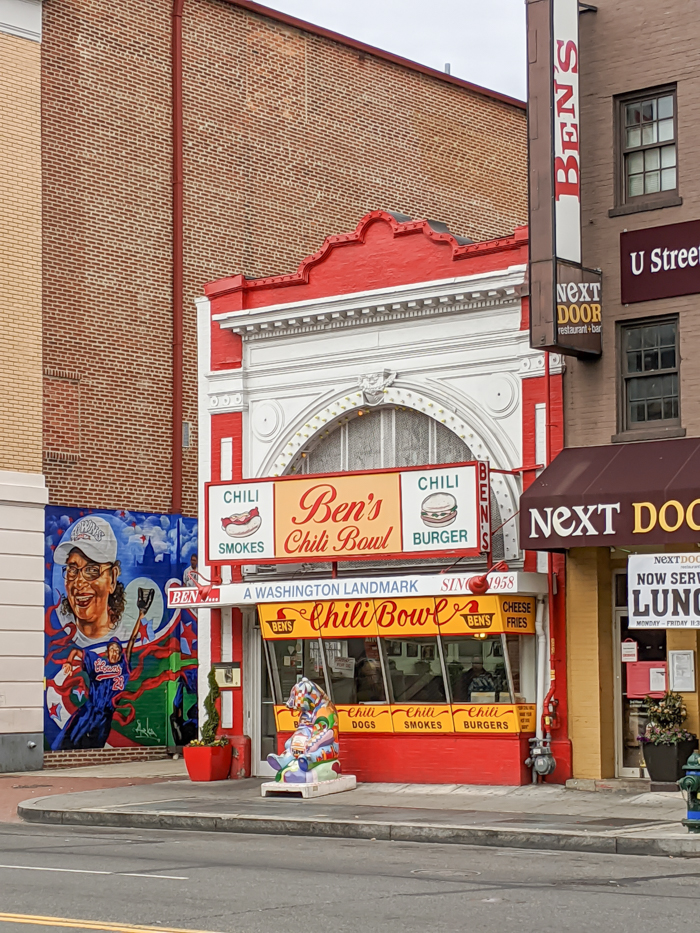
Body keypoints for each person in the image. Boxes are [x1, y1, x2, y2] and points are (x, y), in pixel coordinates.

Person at [52, 589, 155, 750]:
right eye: (112, 650)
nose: (114, 652)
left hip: (105, 715)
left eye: (117, 650)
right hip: (89, 710)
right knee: (69, 739)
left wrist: (141, 615)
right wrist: (69, 662)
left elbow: (132, 640)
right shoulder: (97, 661)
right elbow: (76, 652)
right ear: (107, 652)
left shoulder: (123, 666)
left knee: (96, 744)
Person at [54, 516, 126, 646]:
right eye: (72, 569)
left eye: (92, 570)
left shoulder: (129, 636)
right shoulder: (57, 627)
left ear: (113, 579)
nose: (79, 583)